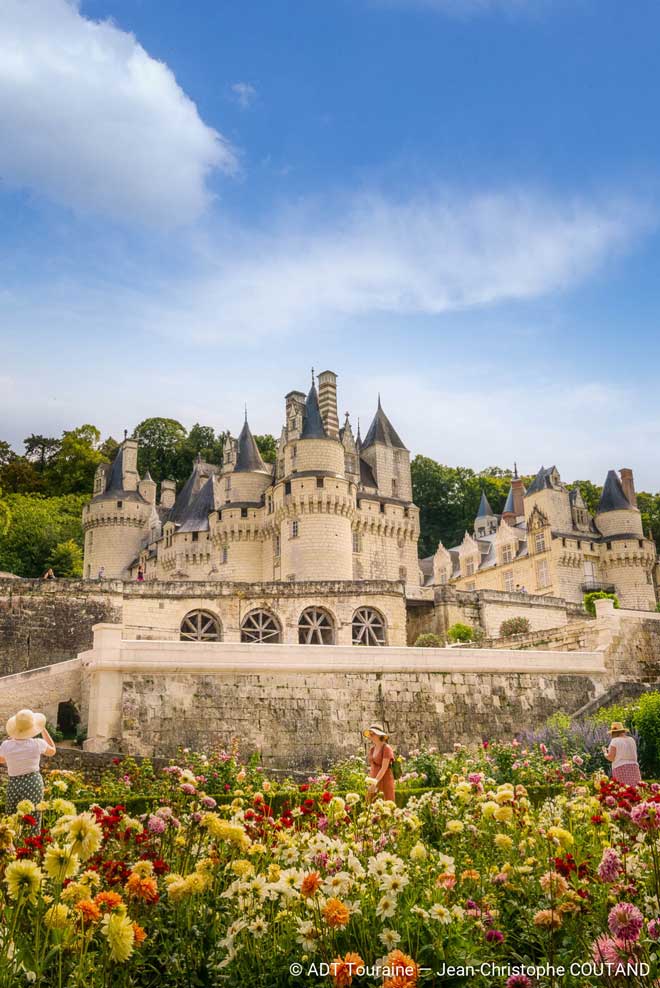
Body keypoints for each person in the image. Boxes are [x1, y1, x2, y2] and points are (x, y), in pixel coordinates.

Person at [0, 709, 56, 829]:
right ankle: (32, 845)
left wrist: (11, 744)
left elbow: (1, 760)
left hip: (14, 783)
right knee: (33, 818)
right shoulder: (38, 744)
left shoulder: (6, 745)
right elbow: (52, 751)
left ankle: (11, 846)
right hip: (33, 781)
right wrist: (43, 729)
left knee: (11, 818)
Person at [363, 723, 395, 804]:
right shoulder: (372, 749)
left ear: (379, 735)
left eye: (373, 733)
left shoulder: (386, 748)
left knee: (385, 803)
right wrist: (370, 781)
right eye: (370, 733)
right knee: (370, 804)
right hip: (374, 778)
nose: (371, 735)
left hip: (384, 779)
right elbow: (372, 767)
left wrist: (375, 782)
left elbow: (384, 768)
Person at [603, 721, 641, 786]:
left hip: (621, 768)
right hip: (634, 767)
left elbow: (611, 757)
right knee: (635, 790)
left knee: (623, 791)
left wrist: (605, 753)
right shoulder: (631, 739)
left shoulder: (615, 740)